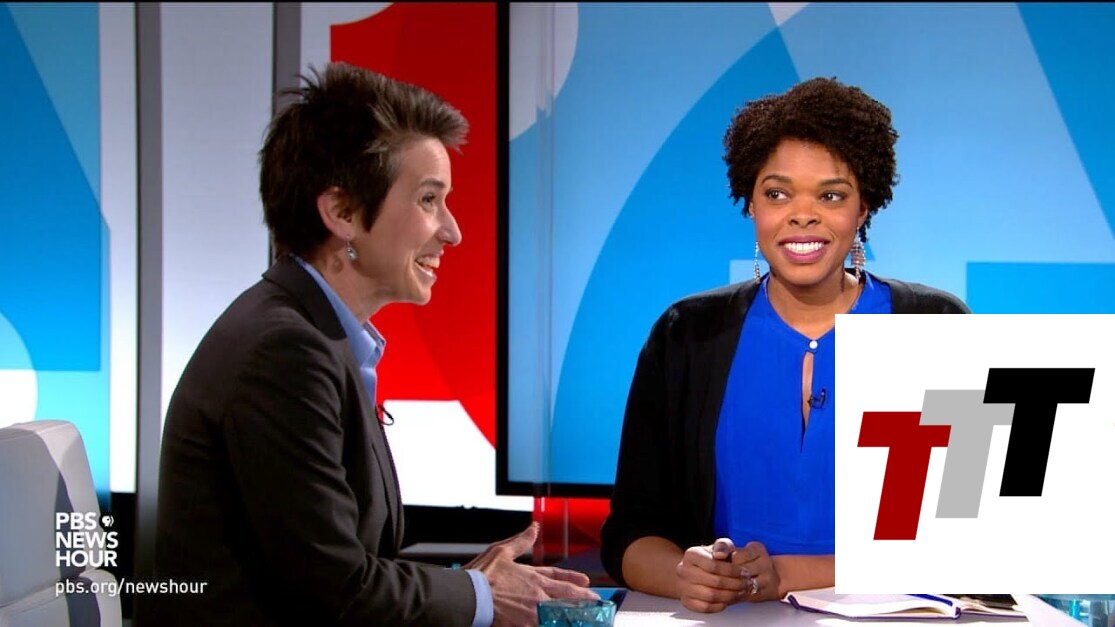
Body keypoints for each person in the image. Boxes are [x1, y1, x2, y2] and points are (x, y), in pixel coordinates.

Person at [151, 62, 596, 626]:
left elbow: (337, 569)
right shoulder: (283, 352)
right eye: (429, 200)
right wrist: (480, 596)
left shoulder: (314, 336)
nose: (452, 231)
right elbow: (335, 592)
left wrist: (469, 586)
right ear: (342, 212)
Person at [599, 77, 969, 613]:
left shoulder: (934, 325)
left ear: (864, 207)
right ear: (751, 204)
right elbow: (630, 534)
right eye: (777, 193)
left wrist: (789, 576)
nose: (802, 214)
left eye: (831, 195)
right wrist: (688, 576)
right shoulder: (687, 335)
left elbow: (970, 542)